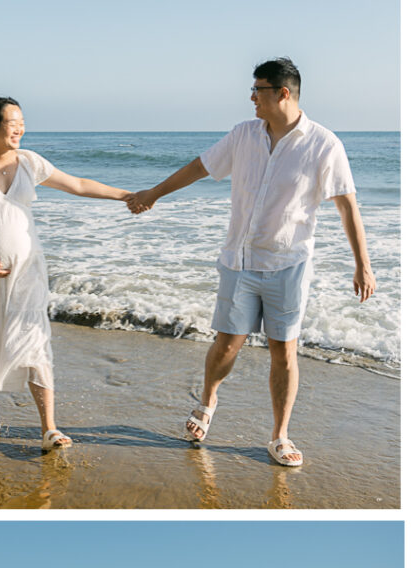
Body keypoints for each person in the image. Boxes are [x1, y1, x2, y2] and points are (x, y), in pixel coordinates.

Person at [128, 58, 376, 467]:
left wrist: (362, 264)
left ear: (283, 93)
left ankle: (279, 435)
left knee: (284, 351)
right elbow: (200, 167)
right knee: (227, 343)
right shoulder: (243, 135)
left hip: (289, 263)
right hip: (238, 260)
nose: (251, 98)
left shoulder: (323, 144)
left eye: (258, 89)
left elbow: (347, 206)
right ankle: (207, 403)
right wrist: (154, 193)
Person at [0, 97, 131, 451]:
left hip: (27, 272)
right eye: (12, 122)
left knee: (35, 341)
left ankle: (49, 427)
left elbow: (79, 185)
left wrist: (128, 195)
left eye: (22, 121)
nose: (20, 128)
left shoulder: (30, 162)